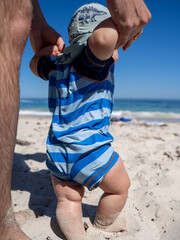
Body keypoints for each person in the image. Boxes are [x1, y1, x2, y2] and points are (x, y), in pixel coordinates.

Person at [0, 0, 151, 240]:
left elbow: (33, 63)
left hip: (57, 151)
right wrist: (120, 25)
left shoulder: (56, 67)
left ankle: (75, 234)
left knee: (68, 197)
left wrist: (47, 51)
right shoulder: (92, 63)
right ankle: (104, 222)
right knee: (121, 188)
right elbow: (102, 40)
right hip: (89, 150)